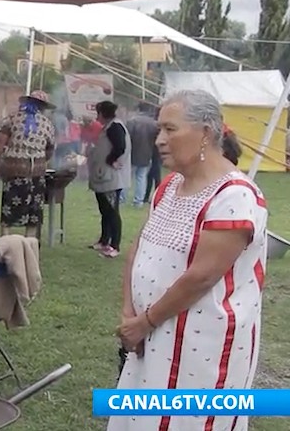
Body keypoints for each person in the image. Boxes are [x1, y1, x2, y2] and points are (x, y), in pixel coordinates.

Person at [112, 89, 267, 431]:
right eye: (159, 130)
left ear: (206, 134)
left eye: (170, 129)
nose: (159, 140)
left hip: (201, 343)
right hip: (150, 334)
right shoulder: (169, 186)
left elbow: (201, 276)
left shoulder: (235, 196)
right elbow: (140, 245)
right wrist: (129, 313)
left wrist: (145, 321)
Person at [0, 90, 56, 238]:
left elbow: (0, 144)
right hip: (36, 171)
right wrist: (43, 160)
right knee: (33, 209)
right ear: (43, 107)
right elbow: (51, 148)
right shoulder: (47, 124)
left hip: (13, 170)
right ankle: (29, 240)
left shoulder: (12, 119)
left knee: (9, 205)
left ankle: (6, 238)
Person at [88, 101, 131, 259]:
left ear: (102, 113)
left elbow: (120, 146)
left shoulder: (115, 127)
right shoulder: (109, 126)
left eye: (97, 112)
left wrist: (111, 159)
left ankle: (115, 245)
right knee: (105, 210)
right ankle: (104, 240)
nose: (96, 116)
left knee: (112, 212)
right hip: (103, 177)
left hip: (111, 177)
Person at [126, 103, 159, 207]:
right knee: (141, 177)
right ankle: (138, 201)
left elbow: (126, 138)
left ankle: (121, 199)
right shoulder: (154, 124)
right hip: (147, 154)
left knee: (126, 177)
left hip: (131, 153)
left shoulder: (132, 121)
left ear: (138, 109)